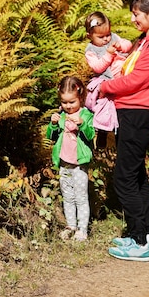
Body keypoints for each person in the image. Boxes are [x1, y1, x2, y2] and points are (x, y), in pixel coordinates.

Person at [99, 0, 149, 262]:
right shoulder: (145, 42)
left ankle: (140, 242)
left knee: (123, 178)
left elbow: (136, 81)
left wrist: (104, 88)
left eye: (136, 14)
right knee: (137, 174)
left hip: (139, 115)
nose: (132, 19)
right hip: (130, 113)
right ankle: (141, 232)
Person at [46, 76, 95, 242]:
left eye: (72, 102)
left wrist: (82, 123)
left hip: (79, 164)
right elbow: (51, 136)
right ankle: (70, 225)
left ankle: (82, 229)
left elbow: (91, 136)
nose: (68, 106)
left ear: (80, 97)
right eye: (64, 102)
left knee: (80, 197)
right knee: (67, 196)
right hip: (64, 162)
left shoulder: (86, 115)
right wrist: (53, 124)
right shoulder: (61, 115)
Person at [84, 11, 133, 148]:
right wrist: (108, 54)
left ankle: (119, 135)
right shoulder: (91, 50)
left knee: (120, 111)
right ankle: (102, 131)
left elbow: (128, 45)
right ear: (90, 36)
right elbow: (98, 67)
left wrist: (121, 45)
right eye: (101, 37)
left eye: (108, 35)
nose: (106, 39)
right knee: (104, 107)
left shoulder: (114, 39)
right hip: (105, 80)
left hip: (122, 77)